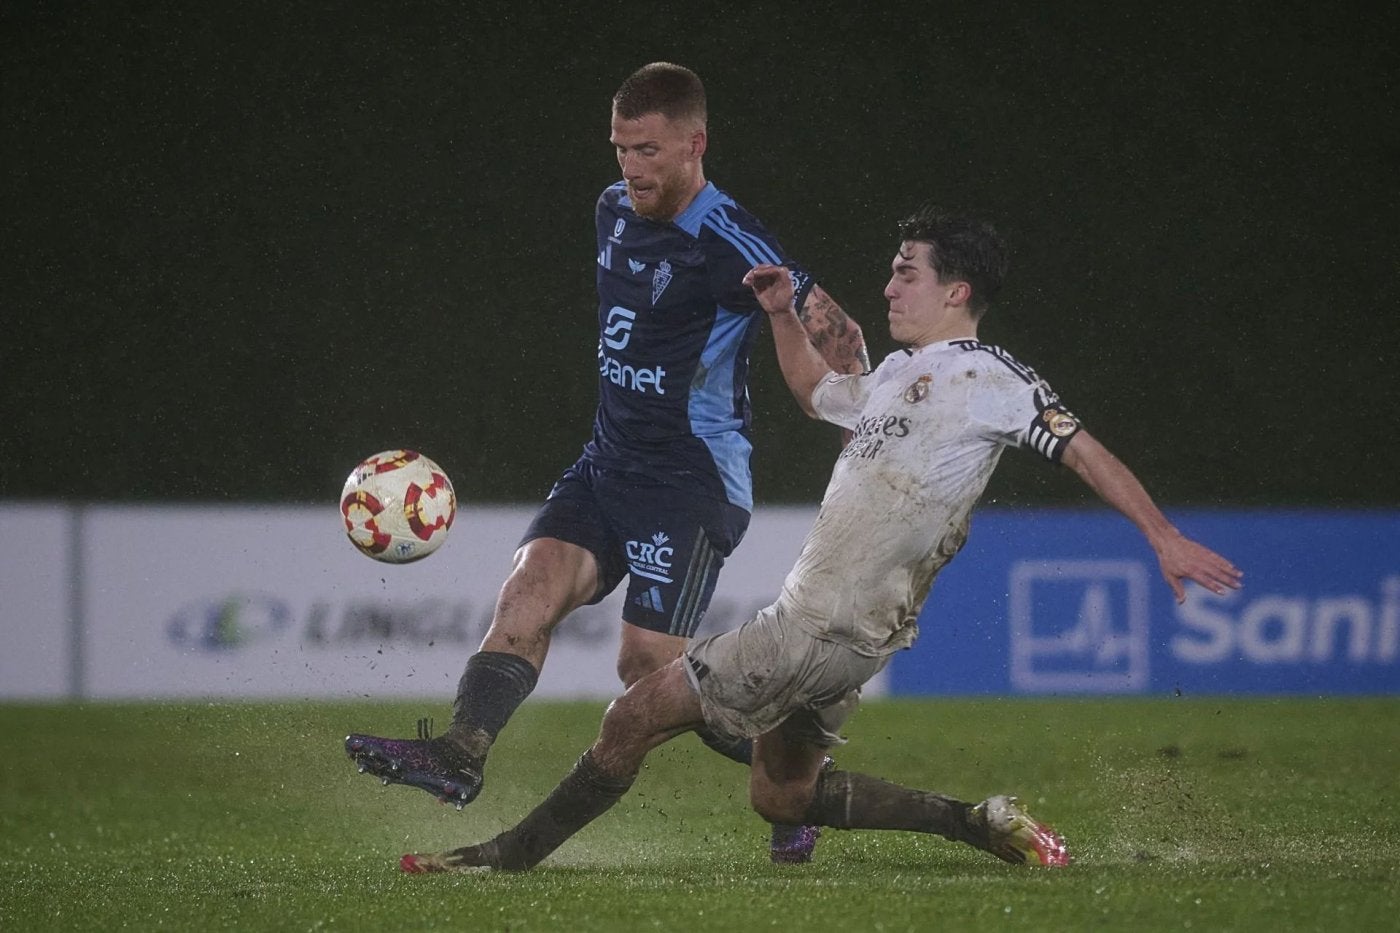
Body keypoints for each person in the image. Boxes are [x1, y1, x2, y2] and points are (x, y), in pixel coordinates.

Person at [393, 205, 1244, 874]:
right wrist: (779, 316)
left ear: (957, 292)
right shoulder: (899, 378)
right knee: (780, 794)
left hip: (811, 628)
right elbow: (817, 395)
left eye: (907, 273)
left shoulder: (994, 378)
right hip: (856, 639)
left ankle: (505, 856)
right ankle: (975, 822)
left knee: (631, 715)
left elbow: (1083, 447)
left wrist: (1162, 536)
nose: (888, 287)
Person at [345, 62, 868, 864]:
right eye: (621, 148)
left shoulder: (734, 242)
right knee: (527, 591)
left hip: (690, 481)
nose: (631, 167)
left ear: (696, 144)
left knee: (647, 668)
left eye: (649, 150)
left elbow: (842, 337)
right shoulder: (611, 209)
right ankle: (460, 754)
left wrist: (857, 450)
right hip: (604, 464)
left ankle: (792, 780)